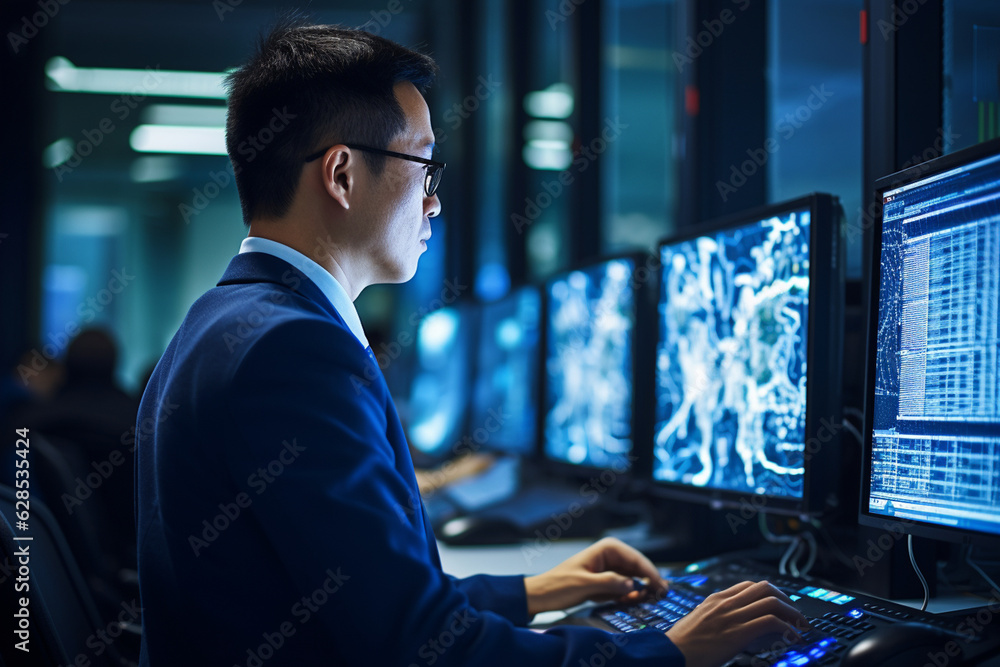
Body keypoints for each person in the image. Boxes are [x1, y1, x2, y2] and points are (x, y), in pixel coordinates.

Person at [135, 20, 806, 667]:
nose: (434, 202)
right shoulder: (293, 350)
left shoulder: (223, 322)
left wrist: (535, 589)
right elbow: (420, 647)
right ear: (341, 175)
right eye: (423, 166)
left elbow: (359, 600)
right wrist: (666, 650)